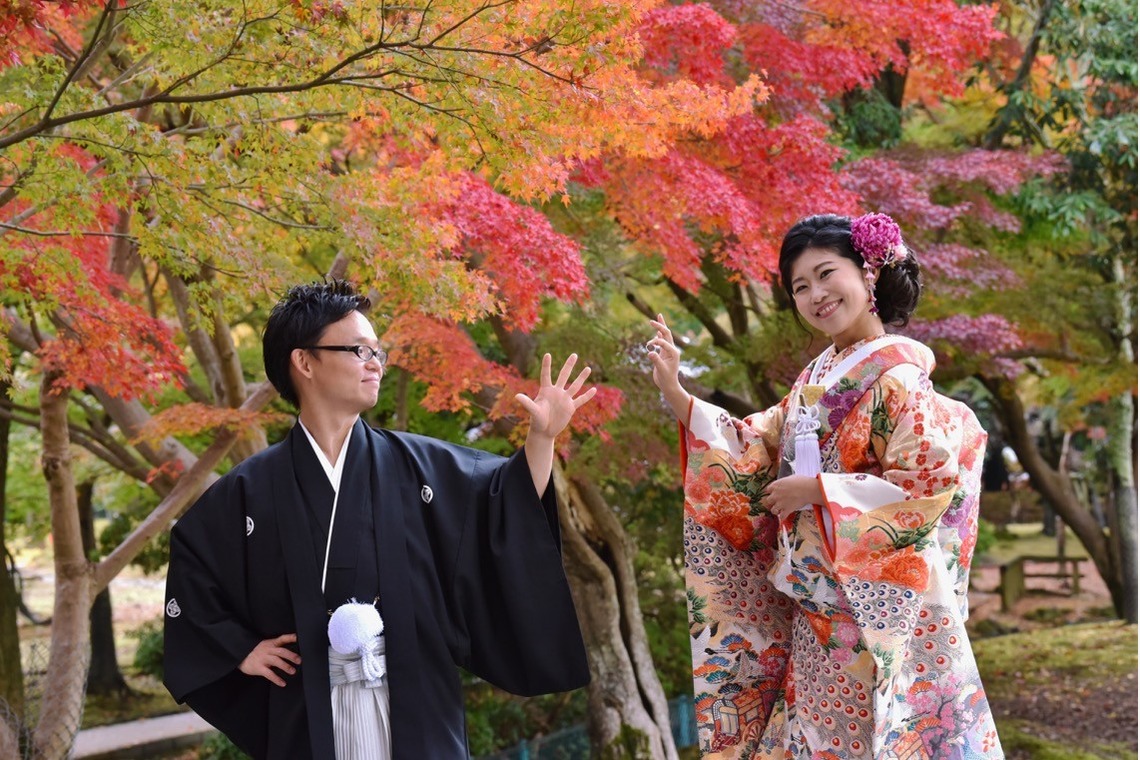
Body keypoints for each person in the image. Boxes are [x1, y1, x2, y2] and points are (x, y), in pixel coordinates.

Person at [164, 281, 594, 759]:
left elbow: (504, 503)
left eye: (378, 352)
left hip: (415, 704)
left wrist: (540, 439)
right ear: (304, 362)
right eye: (358, 350)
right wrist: (237, 648)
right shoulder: (251, 489)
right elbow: (193, 562)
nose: (375, 363)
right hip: (309, 713)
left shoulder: (417, 466)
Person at [646, 214, 1003, 758]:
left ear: (868, 271)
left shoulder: (900, 375)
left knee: (866, 736)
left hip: (875, 603)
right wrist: (676, 391)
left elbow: (927, 484)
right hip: (817, 600)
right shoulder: (817, 375)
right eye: (800, 286)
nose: (815, 294)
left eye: (826, 273)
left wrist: (819, 490)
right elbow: (755, 443)